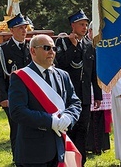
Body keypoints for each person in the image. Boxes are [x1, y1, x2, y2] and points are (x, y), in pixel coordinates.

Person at [8, 34, 82, 166]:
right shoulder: (20, 77)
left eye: (54, 48)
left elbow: (75, 102)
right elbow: (18, 111)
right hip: (33, 152)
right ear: (33, 51)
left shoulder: (62, 75)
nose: (52, 52)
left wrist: (69, 117)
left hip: (60, 147)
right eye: (47, 48)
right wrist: (49, 121)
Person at [55, 9, 102, 165]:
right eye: (81, 24)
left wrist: (98, 94)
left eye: (86, 24)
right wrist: (73, 47)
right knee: (69, 130)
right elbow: (61, 64)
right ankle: (67, 161)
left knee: (83, 130)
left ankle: (80, 161)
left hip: (85, 96)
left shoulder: (89, 45)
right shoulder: (62, 42)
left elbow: (93, 72)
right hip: (68, 96)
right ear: (72, 25)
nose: (84, 27)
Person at [0, 13, 32, 163]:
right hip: (13, 97)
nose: (24, 31)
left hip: (31, 95)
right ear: (12, 30)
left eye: (25, 28)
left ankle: (31, 157)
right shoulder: (3, 50)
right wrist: (3, 97)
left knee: (31, 128)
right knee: (17, 129)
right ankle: (18, 159)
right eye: (20, 28)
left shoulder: (31, 46)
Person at [86, 21, 111, 155]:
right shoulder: (86, 45)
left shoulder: (104, 45)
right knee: (92, 118)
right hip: (90, 86)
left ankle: (102, 145)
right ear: (89, 32)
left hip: (103, 85)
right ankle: (92, 146)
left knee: (101, 118)